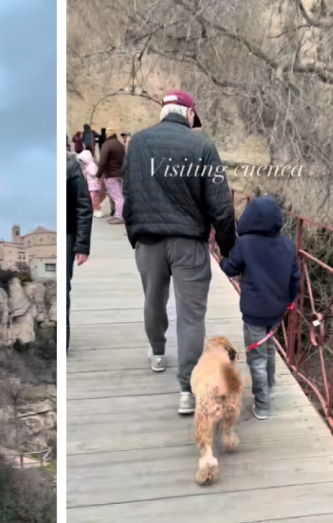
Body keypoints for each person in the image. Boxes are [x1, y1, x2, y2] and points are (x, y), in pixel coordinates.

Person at [121, 90, 237, 415]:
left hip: (149, 241)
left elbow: (128, 194)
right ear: (189, 114)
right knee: (191, 317)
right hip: (190, 243)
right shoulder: (203, 146)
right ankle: (187, 389)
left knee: (153, 300)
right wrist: (228, 248)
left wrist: (135, 235)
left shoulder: (138, 144)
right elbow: (221, 204)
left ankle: (157, 353)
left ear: (163, 111)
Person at [218, 196, 300, 420]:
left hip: (254, 313)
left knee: (257, 358)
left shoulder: (245, 244)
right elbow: (295, 278)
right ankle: (270, 390)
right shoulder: (288, 244)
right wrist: (290, 300)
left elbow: (232, 268)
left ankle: (262, 404)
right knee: (269, 349)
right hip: (277, 310)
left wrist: (222, 260)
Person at [67, 150, 93, 351]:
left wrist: (82, 245)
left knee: (64, 289)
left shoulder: (70, 164)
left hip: (67, 235)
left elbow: (83, 205)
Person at [98, 129, 126, 224]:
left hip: (110, 174)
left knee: (117, 197)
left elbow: (102, 162)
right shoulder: (120, 145)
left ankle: (119, 216)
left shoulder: (107, 145)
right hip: (120, 174)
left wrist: (98, 174)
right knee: (120, 196)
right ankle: (118, 214)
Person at [77, 149, 103, 217]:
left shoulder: (92, 165)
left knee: (94, 199)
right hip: (91, 186)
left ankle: (98, 210)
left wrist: (87, 170)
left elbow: (94, 173)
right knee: (93, 199)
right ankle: (96, 210)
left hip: (95, 186)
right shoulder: (87, 166)